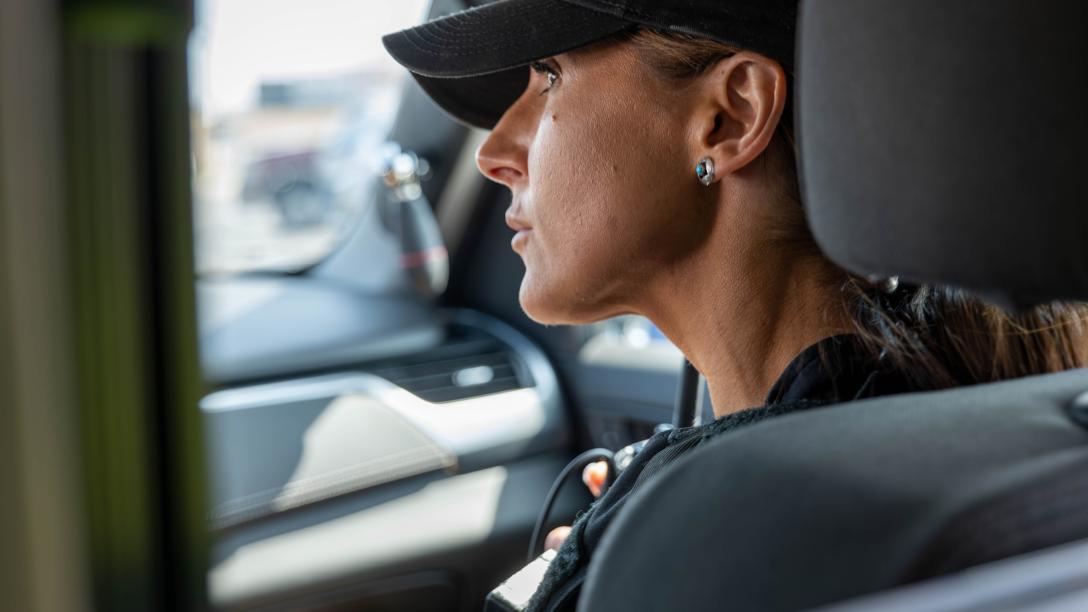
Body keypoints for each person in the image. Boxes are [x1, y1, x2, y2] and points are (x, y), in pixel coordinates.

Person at [383, 1, 1088, 610]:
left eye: (549, 76)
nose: (494, 153)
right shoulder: (1002, 438)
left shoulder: (734, 534)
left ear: (731, 116)